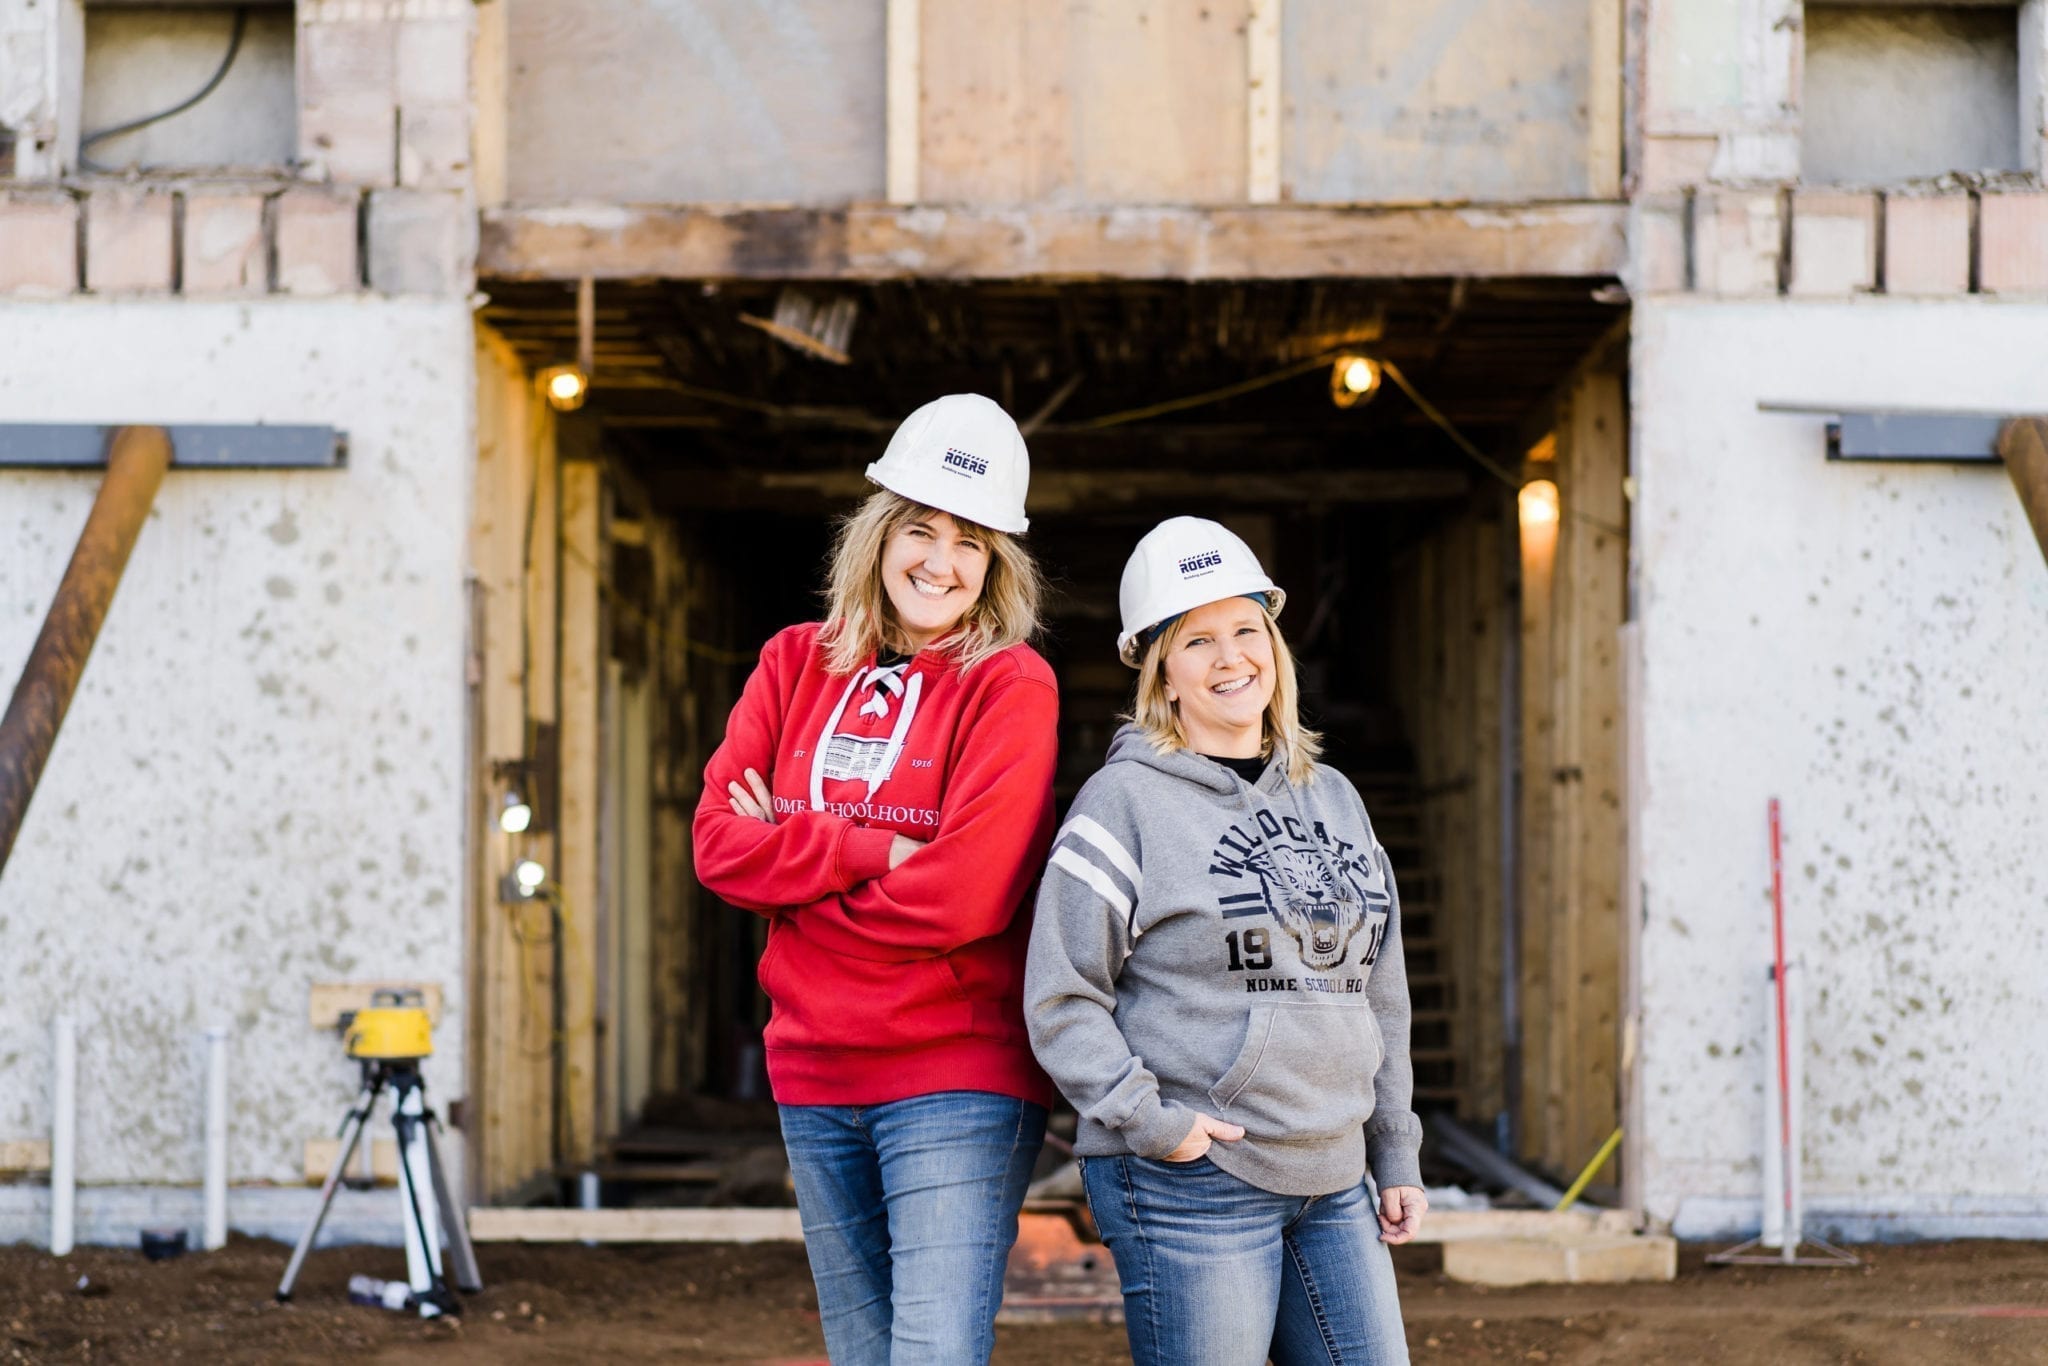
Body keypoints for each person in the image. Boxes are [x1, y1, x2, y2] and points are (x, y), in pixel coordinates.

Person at [692, 394, 1059, 1365]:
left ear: (994, 565)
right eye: (919, 528)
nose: (939, 560)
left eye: (969, 542)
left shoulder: (1007, 684)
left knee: (929, 1354)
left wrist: (796, 865)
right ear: (877, 530)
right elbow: (717, 847)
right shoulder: (789, 662)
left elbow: (966, 897)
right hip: (811, 1072)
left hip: (955, 1074)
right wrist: (865, 850)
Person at [1025, 515, 1426, 1365]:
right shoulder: (1121, 805)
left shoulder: (1336, 799)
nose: (1230, 656)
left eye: (1248, 629)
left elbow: (1379, 992)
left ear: (1275, 648)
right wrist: (1153, 1122)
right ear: (1161, 673)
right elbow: (1062, 996)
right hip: (1193, 1181)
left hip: (1334, 1175)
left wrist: (1395, 1149)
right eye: (1198, 639)